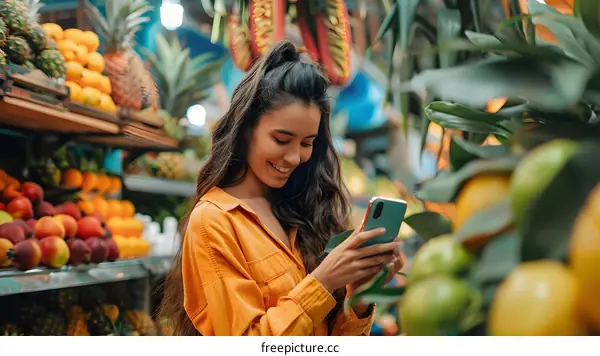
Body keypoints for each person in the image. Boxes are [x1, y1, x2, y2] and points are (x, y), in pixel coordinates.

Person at [158, 40, 404, 336]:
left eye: (306, 143)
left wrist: (360, 294)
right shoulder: (214, 222)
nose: (293, 157)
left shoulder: (303, 211)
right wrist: (323, 282)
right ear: (246, 129)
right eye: (281, 139)